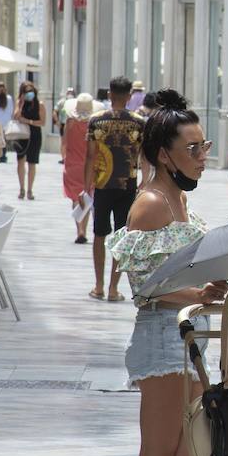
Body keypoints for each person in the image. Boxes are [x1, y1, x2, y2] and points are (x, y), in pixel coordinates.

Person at [107, 90, 225, 456]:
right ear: (163, 154)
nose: (202, 156)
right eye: (194, 148)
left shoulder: (181, 201)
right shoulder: (152, 203)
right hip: (163, 341)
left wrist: (210, 292)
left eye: (204, 146)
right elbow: (144, 285)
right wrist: (196, 293)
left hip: (191, 341)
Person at [86, 77, 144, 301]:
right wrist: (145, 179)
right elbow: (143, 155)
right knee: (122, 236)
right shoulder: (139, 122)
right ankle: (112, 288)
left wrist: (86, 182)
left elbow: (90, 155)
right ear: (129, 96)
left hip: (102, 183)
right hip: (127, 184)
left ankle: (98, 286)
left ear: (110, 95)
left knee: (99, 234)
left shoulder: (96, 120)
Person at [63, 93, 95, 243]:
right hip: (89, 165)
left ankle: (79, 230)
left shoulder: (69, 122)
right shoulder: (93, 125)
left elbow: (64, 143)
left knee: (76, 198)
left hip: (72, 164)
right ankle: (84, 229)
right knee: (87, 196)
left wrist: (64, 158)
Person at [13, 80, 44, 199]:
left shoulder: (39, 104)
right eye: (26, 92)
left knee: (32, 162)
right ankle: (22, 188)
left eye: (31, 91)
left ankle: (30, 190)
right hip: (21, 135)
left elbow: (43, 122)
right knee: (20, 161)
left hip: (35, 134)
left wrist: (29, 121)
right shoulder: (20, 103)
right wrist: (20, 104)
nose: (29, 93)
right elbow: (15, 116)